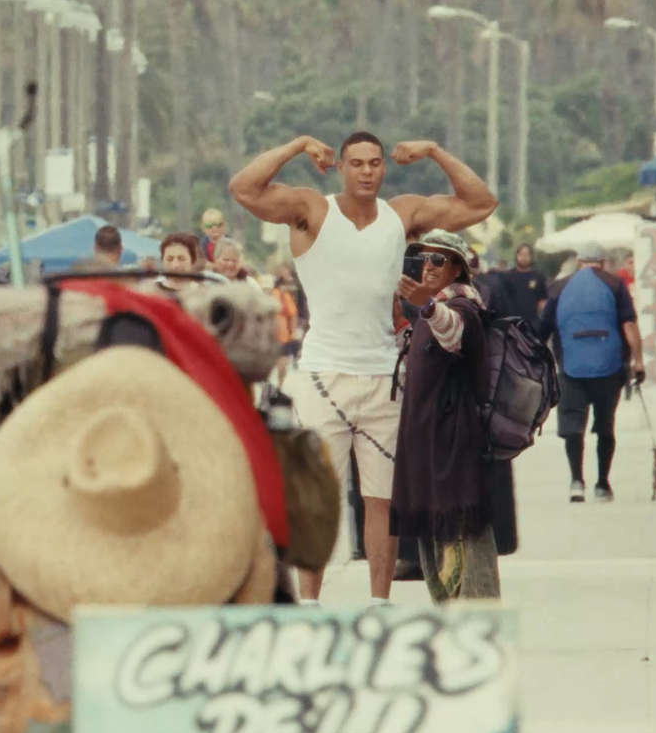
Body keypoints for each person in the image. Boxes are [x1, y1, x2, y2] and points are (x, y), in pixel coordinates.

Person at [230, 130, 497, 601]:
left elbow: (480, 203)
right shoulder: (312, 210)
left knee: (383, 502)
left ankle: (379, 603)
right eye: (357, 163)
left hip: (383, 377)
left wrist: (434, 152)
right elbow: (244, 189)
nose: (367, 171)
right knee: (316, 500)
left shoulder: (402, 214)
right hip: (322, 375)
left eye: (375, 163)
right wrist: (294, 146)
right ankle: (309, 604)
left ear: (384, 169)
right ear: (341, 168)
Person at [389, 229, 499, 600]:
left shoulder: (462, 306)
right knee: (437, 531)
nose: (429, 266)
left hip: (454, 441)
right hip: (430, 441)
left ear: (457, 269)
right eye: (423, 259)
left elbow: (453, 334)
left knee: (462, 529)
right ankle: (451, 617)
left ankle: (475, 617)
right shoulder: (433, 306)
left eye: (438, 260)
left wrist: (428, 307)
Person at [542, 242, 644, 503]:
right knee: (605, 426)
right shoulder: (616, 285)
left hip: (571, 368)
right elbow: (629, 325)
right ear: (604, 262)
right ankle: (603, 483)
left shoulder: (558, 287)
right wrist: (638, 361)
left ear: (578, 261)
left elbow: (543, 330)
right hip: (609, 367)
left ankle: (576, 481)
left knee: (573, 426)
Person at [482, 243, 548, 330]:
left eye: (527, 255)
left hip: (532, 324)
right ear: (517, 255)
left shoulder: (538, 277)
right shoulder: (506, 277)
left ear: (531, 257)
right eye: (521, 254)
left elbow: (542, 300)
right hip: (511, 324)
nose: (524, 258)